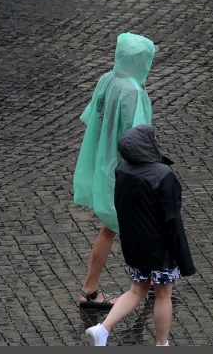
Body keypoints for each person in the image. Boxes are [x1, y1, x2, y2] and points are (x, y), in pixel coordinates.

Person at [85, 124, 196, 346]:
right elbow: (172, 219)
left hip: (135, 244)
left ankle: (103, 329)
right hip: (160, 248)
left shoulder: (122, 168)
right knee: (164, 295)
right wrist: (183, 258)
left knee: (136, 290)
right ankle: (162, 344)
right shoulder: (164, 175)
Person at [73, 32, 156, 308]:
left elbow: (93, 119)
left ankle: (148, 280)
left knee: (113, 226)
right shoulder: (132, 91)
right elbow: (136, 136)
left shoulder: (106, 80)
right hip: (126, 169)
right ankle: (93, 288)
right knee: (131, 224)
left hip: (106, 165)